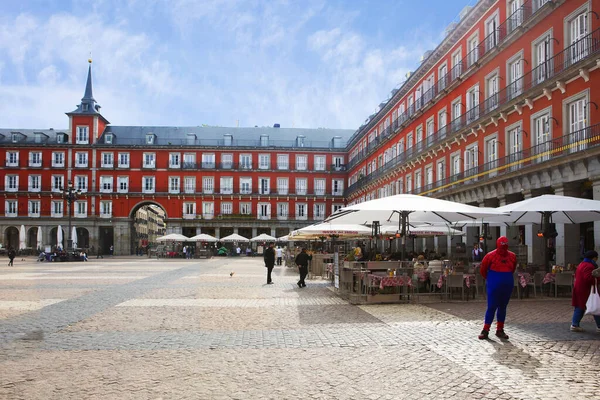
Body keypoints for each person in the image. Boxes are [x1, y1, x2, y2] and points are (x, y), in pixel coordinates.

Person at [478, 236, 517, 340]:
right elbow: (483, 269)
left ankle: (499, 329)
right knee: (492, 307)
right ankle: (486, 329)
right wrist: (491, 280)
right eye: (501, 246)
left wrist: (492, 279)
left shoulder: (512, 256)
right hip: (495, 285)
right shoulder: (490, 256)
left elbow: (512, 268)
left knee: (502, 307)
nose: (503, 249)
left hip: (504, 285)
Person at [570, 250, 600, 332]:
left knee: (581, 307)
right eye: (596, 257)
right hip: (585, 290)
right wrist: (598, 278)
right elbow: (588, 279)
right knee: (595, 306)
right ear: (593, 258)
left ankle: (575, 324)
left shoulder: (582, 264)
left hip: (581, 289)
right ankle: (575, 324)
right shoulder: (589, 266)